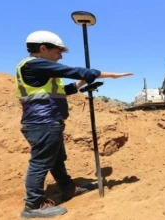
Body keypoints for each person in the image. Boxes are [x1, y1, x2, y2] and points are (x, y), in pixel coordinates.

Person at [16, 30, 133, 218]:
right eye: (57, 51)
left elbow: (66, 89)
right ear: (43, 48)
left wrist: (81, 83)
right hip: (43, 122)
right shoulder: (35, 65)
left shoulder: (39, 70)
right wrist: (110, 75)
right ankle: (33, 205)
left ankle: (68, 188)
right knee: (40, 163)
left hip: (47, 121)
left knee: (56, 160)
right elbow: (73, 71)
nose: (60, 56)